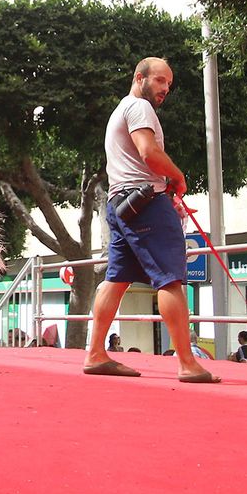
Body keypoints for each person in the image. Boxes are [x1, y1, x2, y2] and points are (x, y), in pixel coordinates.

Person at [82, 58, 219, 384]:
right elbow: (148, 152)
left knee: (115, 280)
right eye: (159, 81)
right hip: (146, 204)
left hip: (120, 204)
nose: (164, 89)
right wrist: (177, 176)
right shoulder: (139, 108)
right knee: (170, 278)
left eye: (168, 85)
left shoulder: (120, 111)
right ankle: (187, 363)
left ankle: (95, 354)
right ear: (139, 77)